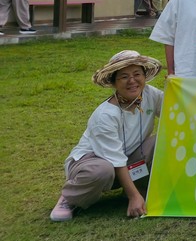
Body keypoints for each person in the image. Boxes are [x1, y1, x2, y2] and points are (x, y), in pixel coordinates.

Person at [50, 50, 164, 221]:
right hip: (94, 163)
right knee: (102, 170)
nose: (132, 81)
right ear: (113, 83)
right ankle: (71, 196)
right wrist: (134, 197)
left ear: (145, 76)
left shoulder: (150, 94)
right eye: (124, 76)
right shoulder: (105, 115)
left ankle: (137, 190)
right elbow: (115, 160)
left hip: (127, 159)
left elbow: (174, 112)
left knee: (163, 140)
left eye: (137, 74)